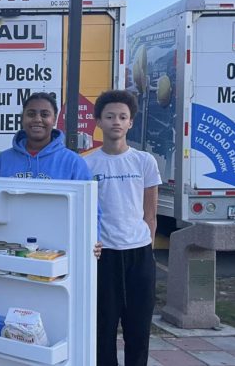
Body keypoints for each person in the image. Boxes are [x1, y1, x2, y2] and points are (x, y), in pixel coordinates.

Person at [84, 90, 161, 366]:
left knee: (138, 330)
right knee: (102, 330)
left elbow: (150, 214)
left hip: (139, 256)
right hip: (104, 257)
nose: (116, 121)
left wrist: (148, 249)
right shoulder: (87, 164)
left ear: (130, 122)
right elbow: (85, 214)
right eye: (110, 116)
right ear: (98, 122)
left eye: (123, 117)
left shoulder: (145, 162)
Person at [0, 92, 92, 181]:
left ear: (54, 119)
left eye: (45, 115)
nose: (37, 119)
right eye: (31, 114)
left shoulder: (74, 163)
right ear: (22, 118)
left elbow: (88, 205)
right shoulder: (0, 162)